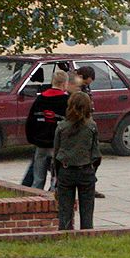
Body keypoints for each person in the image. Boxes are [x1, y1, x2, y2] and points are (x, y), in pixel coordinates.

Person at [54, 92, 100, 230]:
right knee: (87, 212)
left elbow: (56, 153)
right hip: (86, 170)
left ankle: (65, 235)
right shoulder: (92, 126)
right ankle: (86, 236)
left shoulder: (61, 127)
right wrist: (92, 170)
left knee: (65, 211)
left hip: (66, 170)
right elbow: (96, 154)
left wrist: (57, 175)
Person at [23, 71, 69, 190]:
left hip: (41, 143)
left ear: (52, 82)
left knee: (38, 179)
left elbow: (30, 121)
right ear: (65, 84)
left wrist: (32, 139)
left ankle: (35, 202)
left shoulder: (40, 99)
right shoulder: (67, 101)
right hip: (58, 145)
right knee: (56, 179)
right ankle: (54, 203)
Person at [75, 66, 105, 199]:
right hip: (80, 126)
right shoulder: (74, 88)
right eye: (87, 82)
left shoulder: (84, 88)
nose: (88, 85)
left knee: (94, 156)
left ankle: (90, 185)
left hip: (88, 123)